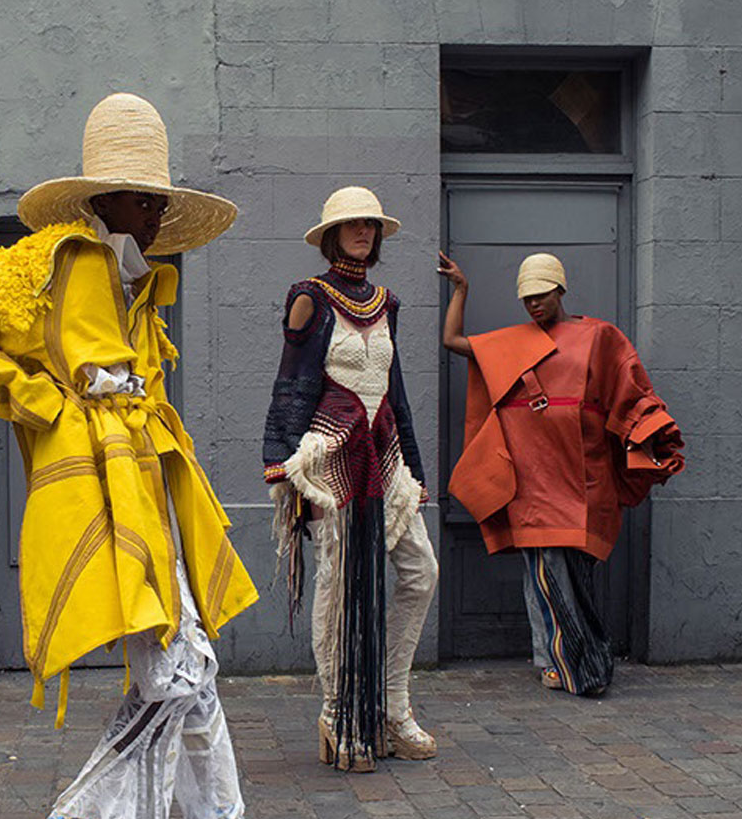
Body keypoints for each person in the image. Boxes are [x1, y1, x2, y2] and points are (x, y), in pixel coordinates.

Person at [0, 93, 268, 819]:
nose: (152, 214)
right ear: (101, 199)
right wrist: (43, 405)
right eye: (138, 198)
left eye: (159, 199)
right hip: (98, 493)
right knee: (176, 673)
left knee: (194, 671)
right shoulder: (65, 260)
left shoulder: (132, 281)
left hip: (144, 488)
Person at [439, 251, 684, 695]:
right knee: (541, 573)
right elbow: (453, 341)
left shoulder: (599, 337)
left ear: (560, 289)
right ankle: (554, 660)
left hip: (585, 478)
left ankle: (578, 656)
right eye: (527, 298)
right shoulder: (513, 341)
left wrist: (651, 434)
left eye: (542, 295)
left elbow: (630, 392)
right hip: (533, 478)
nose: (534, 304)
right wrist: (462, 289)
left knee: (574, 574)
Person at [262, 187, 439, 774]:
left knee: (420, 570)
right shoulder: (309, 299)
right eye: (351, 224)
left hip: (383, 454)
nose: (363, 231)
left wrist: (412, 464)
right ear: (331, 234)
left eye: (370, 223)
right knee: (337, 586)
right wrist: (283, 464)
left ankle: (391, 706)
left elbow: (398, 391)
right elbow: (291, 386)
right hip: (331, 456)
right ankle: (339, 714)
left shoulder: (386, 303)